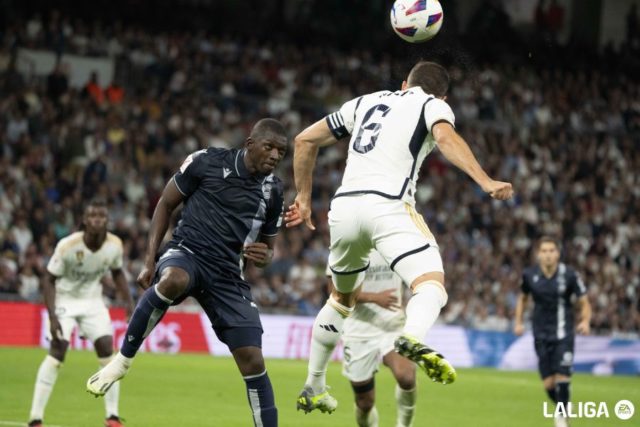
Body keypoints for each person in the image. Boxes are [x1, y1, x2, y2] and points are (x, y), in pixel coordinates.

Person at [285, 61, 514, 413]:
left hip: (343, 209)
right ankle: (411, 338)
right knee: (431, 284)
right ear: (444, 95)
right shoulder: (433, 104)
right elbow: (444, 137)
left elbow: (303, 140)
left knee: (340, 300)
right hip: (389, 206)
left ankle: (313, 385)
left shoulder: (363, 102)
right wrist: (484, 180)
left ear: (404, 83)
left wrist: (303, 198)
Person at [86, 119, 288, 427]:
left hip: (227, 275)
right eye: (269, 147)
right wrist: (149, 260)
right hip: (188, 252)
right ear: (250, 144)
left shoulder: (274, 191)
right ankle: (122, 360)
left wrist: (265, 257)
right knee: (174, 280)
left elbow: (267, 249)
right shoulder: (206, 161)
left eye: (281, 152)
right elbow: (165, 205)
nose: (275, 156)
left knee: (253, 360)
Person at [28, 198, 134, 427]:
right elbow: (48, 278)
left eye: (102, 216)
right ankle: (35, 419)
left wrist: (128, 302)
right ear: (85, 221)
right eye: (93, 216)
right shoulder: (67, 245)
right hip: (64, 299)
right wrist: (53, 316)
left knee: (108, 351)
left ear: (107, 221)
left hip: (92, 301)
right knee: (58, 352)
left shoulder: (115, 244)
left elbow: (117, 273)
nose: (97, 220)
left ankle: (112, 417)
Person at [331, 250, 417, 427]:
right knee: (365, 403)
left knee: (406, 377)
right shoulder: (346, 246)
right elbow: (335, 292)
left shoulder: (394, 243)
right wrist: (374, 298)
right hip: (357, 331)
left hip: (393, 326)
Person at [514, 237, 591, 427]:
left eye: (552, 250)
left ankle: (562, 419)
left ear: (558, 253)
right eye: (544, 251)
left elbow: (584, 301)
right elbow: (523, 299)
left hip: (564, 334)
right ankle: (563, 406)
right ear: (538, 254)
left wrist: (585, 321)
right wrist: (518, 322)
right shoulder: (529, 275)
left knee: (562, 377)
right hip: (540, 335)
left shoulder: (570, 275)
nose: (548, 255)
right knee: (548, 384)